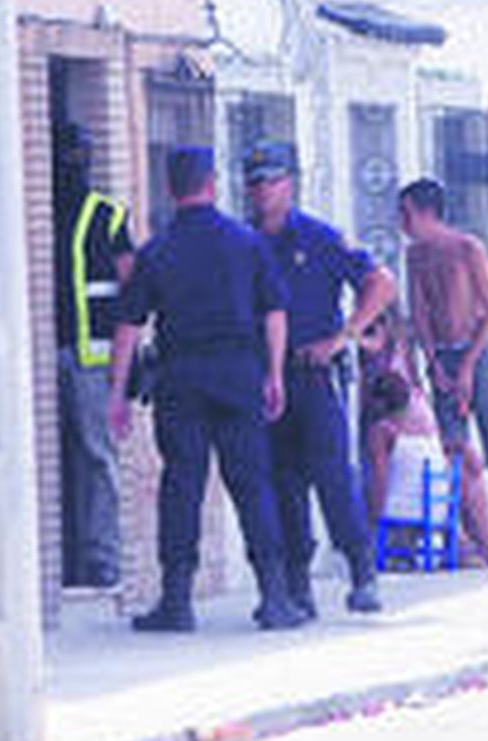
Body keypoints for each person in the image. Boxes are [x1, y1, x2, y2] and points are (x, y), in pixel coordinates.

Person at [107, 146, 307, 632]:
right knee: (252, 484)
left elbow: (129, 326)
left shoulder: (157, 250)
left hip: (181, 378)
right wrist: (275, 374)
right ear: (213, 183)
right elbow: (274, 313)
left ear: (171, 189)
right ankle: (275, 598)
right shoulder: (246, 242)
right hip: (239, 375)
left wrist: (118, 393)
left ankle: (177, 601)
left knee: (182, 486)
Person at [243, 140, 394, 616]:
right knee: (283, 485)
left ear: (292, 183)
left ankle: (362, 570)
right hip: (268, 380)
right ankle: (296, 585)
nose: (264, 191)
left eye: (273, 180)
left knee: (333, 479)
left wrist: (345, 335)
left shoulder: (319, 237)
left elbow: (381, 283)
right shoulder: (244, 243)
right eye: (256, 182)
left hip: (315, 375)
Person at [398, 177, 488, 560]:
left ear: (424, 212)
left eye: (405, 213)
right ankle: (467, 536)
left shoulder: (468, 248)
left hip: (479, 353)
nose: (401, 222)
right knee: (452, 445)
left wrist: (468, 365)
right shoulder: (415, 256)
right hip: (444, 356)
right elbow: (419, 314)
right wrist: (431, 363)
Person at [358, 310, 488, 565]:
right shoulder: (381, 375)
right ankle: (465, 541)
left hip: (422, 452)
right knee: (457, 465)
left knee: (468, 461)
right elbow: (378, 475)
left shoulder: (406, 363)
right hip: (407, 464)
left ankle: (481, 542)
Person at [53, 123, 134, 588]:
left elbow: (133, 288)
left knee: (97, 457)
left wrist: (132, 360)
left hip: (93, 359)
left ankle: (102, 557)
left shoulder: (108, 215)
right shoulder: (32, 209)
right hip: (47, 354)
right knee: (61, 457)